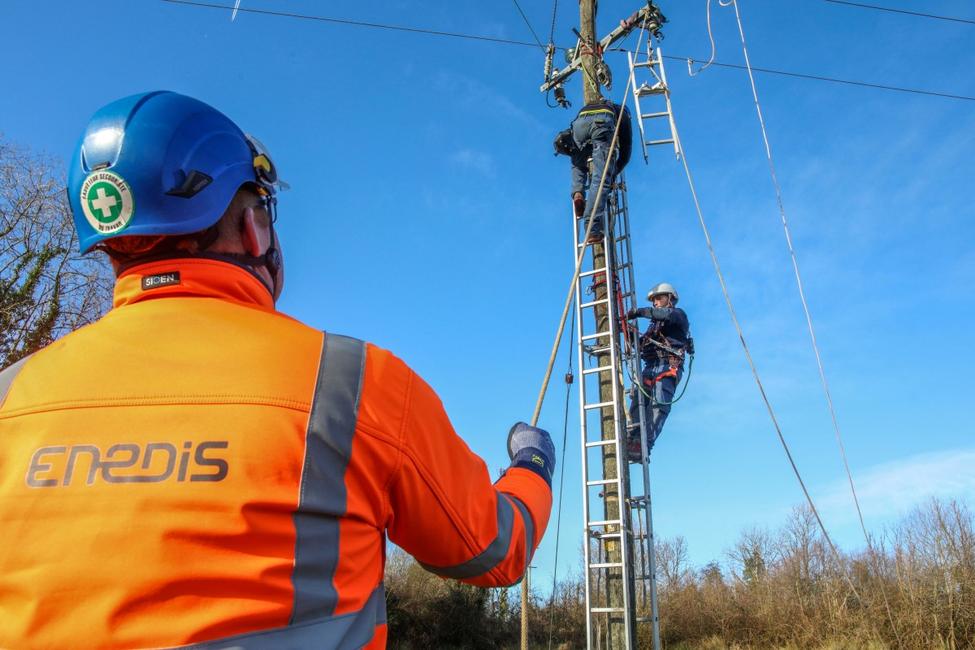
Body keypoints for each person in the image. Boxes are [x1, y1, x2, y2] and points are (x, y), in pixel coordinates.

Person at [0, 91, 555, 649]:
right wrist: (532, 462)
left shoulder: (10, 395)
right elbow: (494, 548)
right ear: (254, 227)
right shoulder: (355, 383)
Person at [625, 282, 691, 462]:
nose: (655, 303)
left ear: (670, 299)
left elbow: (662, 314)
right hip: (650, 367)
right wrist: (627, 332)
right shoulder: (653, 328)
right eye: (653, 300)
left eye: (658, 298)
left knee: (658, 406)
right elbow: (641, 345)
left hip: (667, 367)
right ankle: (633, 440)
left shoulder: (678, 315)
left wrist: (639, 312)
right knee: (638, 404)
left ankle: (646, 444)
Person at [567, 97, 632, 243]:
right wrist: (612, 173)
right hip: (601, 123)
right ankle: (593, 229)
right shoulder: (624, 114)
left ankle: (578, 192)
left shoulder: (595, 105)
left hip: (579, 125)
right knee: (600, 179)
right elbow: (626, 153)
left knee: (578, 160)